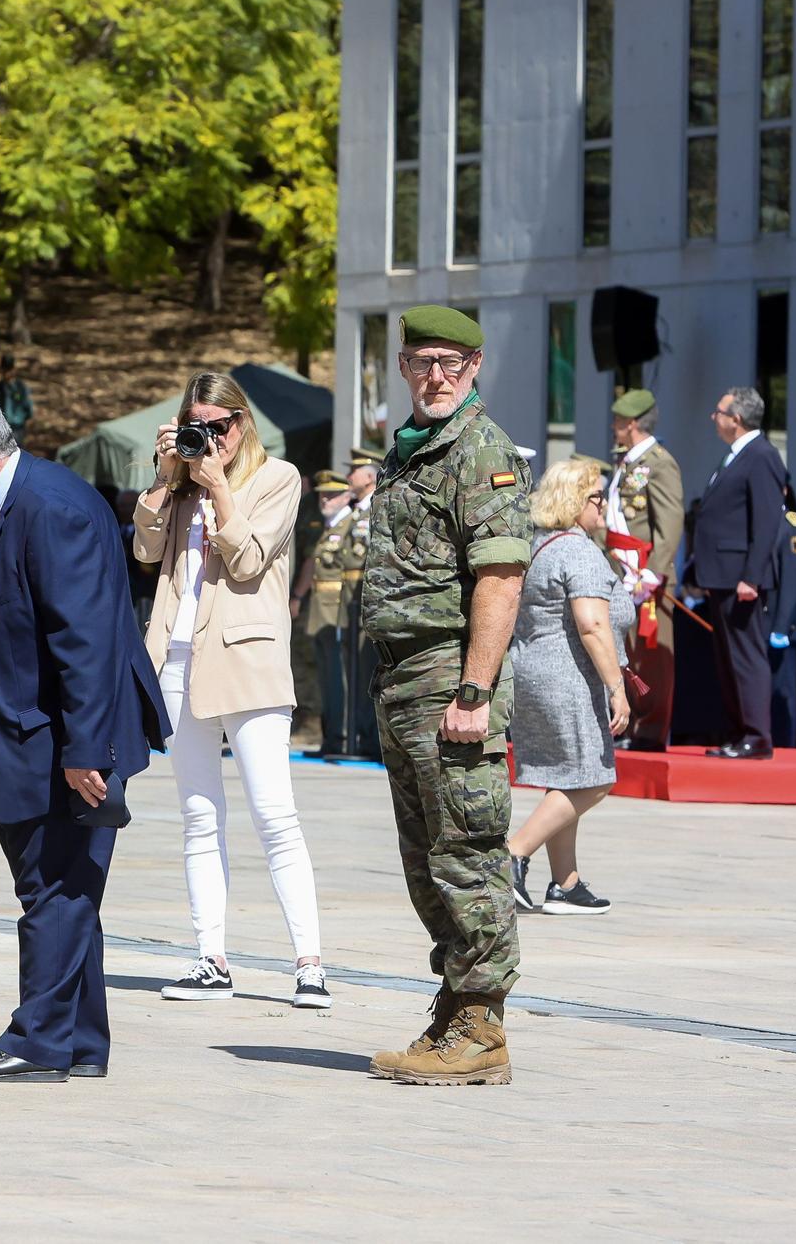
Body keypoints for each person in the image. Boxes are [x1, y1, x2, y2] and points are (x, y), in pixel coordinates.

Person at [0, 384, 166, 1084]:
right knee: (67, 889)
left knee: (53, 890)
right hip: (33, 736)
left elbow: (83, 640)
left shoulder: (49, 507)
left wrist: (87, 750)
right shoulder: (9, 505)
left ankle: (38, 1041)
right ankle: (81, 1040)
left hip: (62, 741)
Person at [361, 306, 530, 1087]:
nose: (435, 376)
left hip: (446, 678)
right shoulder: (409, 452)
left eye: (450, 362)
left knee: (466, 851)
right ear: (403, 368)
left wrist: (474, 687)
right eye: (422, 361)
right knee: (424, 856)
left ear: (474, 368)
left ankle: (482, 1026)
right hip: (399, 678)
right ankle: (455, 1006)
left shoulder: (480, 451)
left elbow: (499, 577)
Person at [132, 372, 328, 1008]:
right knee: (198, 816)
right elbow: (144, 549)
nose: (211, 439)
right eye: (199, 427)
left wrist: (218, 485)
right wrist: (168, 477)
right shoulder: (181, 486)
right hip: (178, 660)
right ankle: (209, 957)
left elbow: (247, 559)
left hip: (246, 661)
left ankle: (310, 965)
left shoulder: (279, 478)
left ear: (245, 423)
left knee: (274, 816)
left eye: (222, 426)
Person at [507, 458, 632, 917]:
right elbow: (592, 624)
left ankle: (566, 882)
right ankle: (513, 855)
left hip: (535, 671)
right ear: (578, 501)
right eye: (598, 497)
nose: (604, 506)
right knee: (595, 780)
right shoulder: (578, 549)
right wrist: (616, 686)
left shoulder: (541, 543)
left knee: (565, 775)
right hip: (569, 678)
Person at [682, 387, 789, 759]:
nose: (715, 418)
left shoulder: (761, 456)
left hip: (740, 576)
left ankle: (757, 735)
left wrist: (752, 576)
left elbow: (766, 523)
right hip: (721, 573)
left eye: (719, 412)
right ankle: (738, 729)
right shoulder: (736, 455)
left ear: (736, 419)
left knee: (745, 656)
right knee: (729, 658)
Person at [603, 390, 685, 751]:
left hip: (646, 573)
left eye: (619, 422)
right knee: (629, 650)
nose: (614, 428)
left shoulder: (659, 462)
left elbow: (670, 522)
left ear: (632, 424)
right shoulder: (628, 463)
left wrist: (654, 572)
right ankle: (633, 723)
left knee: (651, 654)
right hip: (622, 568)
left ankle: (651, 730)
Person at [294, 471, 354, 755]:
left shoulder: (352, 525)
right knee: (326, 673)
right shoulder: (328, 527)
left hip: (338, 611)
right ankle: (332, 736)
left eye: (331, 495)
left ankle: (341, 735)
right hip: (321, 609)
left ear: (346, 496)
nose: (324, 499)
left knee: (338, 674)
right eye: (322, 494)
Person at [341, 447, 383, 758]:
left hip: (370, 598)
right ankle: (360, 735)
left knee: (368, 666)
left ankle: (370, 738)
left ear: (369, 477)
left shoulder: (376, 509)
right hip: (352, 599)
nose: (348, 477)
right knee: (355, 667)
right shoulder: (356, 512)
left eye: (353, 471)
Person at [767, 490, 796, 748]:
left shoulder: (793, 524)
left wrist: (782, 626)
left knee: (782, 694)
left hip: (779, 624)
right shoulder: (762, 520)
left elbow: (792, 582)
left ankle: (784, 746)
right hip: (759, 621)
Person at [0, 351, 34, 444]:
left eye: (9, 370)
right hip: (1, 430)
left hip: (17, 429)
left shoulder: (21, 387)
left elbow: (28, 409)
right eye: (5, 370)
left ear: (14, 369)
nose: (7, 373)